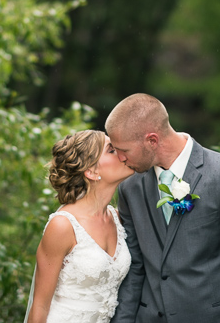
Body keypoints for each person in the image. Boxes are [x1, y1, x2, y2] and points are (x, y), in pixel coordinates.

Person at [106, 93, 220, 323]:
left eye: (123, 150)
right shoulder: (129, 187)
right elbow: (134, 267)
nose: (119, 158)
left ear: (152, 140)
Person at [25, 130, 136, 323]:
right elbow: (40, 306)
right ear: (92, 172)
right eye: (111, 150)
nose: (121, 153)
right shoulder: (63, 225)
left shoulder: (117, 218)